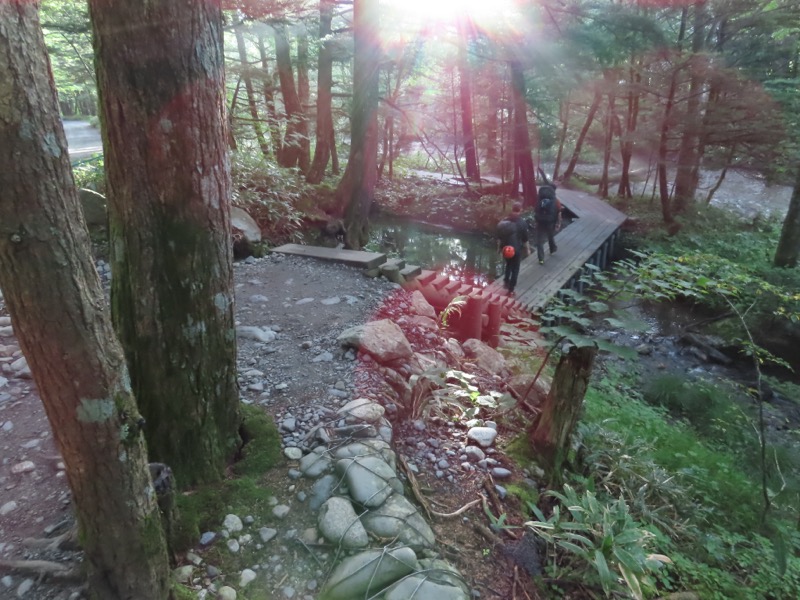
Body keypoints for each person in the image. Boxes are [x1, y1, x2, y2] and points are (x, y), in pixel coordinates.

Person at [496, 202, 531, 294]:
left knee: (508, 265)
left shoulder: (504, 221)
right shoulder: (522, 223)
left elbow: (499, 237)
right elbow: (525, 239)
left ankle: (506, 281)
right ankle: (511, 289)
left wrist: (499, 249)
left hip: (505, 248)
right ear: (520, 210)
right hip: (516, 249)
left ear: (512, 209)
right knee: (515, 268)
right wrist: (527, 250)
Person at [534, 185, 562, 265]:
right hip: (550, 222)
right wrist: (558, 223)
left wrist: (536, 221)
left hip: (540, 222)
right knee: (550, 236)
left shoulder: (539, 200)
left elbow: (536, 210)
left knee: (540, 241)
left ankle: (541, 259)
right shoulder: (556, 201)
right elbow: (559, 213)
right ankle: (552, 249)